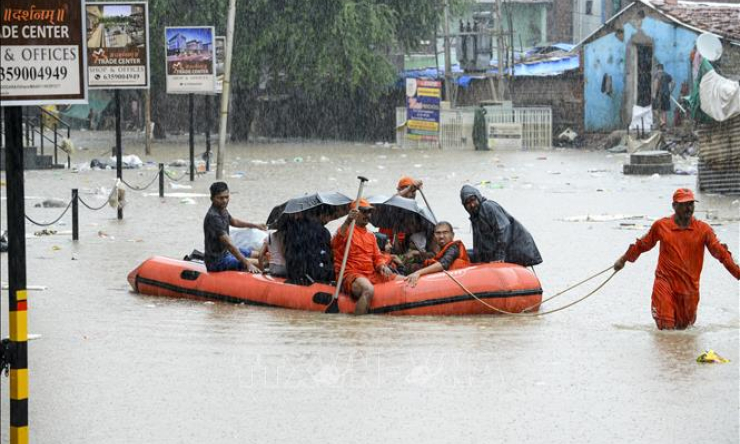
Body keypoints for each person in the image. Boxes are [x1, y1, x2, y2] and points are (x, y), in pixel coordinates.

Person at [613, 188, 739, 330]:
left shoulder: (704, 230)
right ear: (674, 206)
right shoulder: (661, 226)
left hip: (689, 290)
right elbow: (642, 245)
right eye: (684, 204)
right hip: (665, 284)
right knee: (667, 330)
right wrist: (623, 259)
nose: (689, 208)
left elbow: (722, 254)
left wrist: (738, 274)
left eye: (691, 204)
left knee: (684, 331)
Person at [332, 199, 401, 315]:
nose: (367, 215)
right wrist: (348, 221)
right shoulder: (346, 230)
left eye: (369, 212)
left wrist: (381, 266)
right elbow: (335, 243)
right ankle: (359, 324)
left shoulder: (371, 236)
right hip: (351, 274)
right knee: (368, 290)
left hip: (371, 274)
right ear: (355, 213)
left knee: (404, 280)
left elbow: (378, 257)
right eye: (364, 211)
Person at [460, 184, 542, 267]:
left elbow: (503, 230)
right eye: (467, 203)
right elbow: (480, 246)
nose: (472, 205)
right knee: (462, 253)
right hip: (500, 251)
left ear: (478, 196)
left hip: (514, 250)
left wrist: (499, 257)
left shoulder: (487, 207)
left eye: (473, 200)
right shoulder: (475, 217)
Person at [203, 182, 266, 273]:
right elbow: (229, 244)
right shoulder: (213, 217)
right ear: (212, 198)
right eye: (220, 198)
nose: (224, 200)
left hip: (226, 253)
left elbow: (234, 222)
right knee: (259, 262)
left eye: (226, 197)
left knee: (260, 255)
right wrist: (247, 264)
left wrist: (255, 225)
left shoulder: (222, 210)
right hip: (217, 261)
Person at [405, 222, 471, 287]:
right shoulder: (441, 250)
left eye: (445, 232)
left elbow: (443, 264)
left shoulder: (454, 247)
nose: (441, 236)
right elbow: (431, 258)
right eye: (438, 233)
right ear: (434, 236)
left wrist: (418, 273)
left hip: (461, 283)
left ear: (452, 235)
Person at [284, 213, 334, 285]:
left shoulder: (292, 229)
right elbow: (326, 253)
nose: (328, 220)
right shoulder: (322, 231)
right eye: (328, 216)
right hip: (313, 270)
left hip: (295, 270)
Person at [652, 63, 674, 130]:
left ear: (658, 68)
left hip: (659, 94)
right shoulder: (667, 75)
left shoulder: (657, 75)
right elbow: (673, 83)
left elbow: (656, 84)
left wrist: (654, 94)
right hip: (666, 94)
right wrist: (670, 91)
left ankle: (662, 122)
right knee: (664, 110)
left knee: (654, 109)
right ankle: (664, 126)